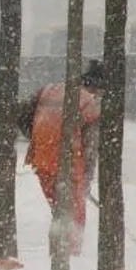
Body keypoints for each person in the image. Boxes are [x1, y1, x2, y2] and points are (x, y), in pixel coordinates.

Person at [22, 59, 105, 256]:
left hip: (42, 160)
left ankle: (58, 253)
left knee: (59, 210)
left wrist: (40, 138)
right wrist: (86, 180)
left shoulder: (50, 89)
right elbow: (90, 148)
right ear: (97, 86)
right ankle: (68, 259)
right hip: (69, 164)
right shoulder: (89, 103)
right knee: (75, 216)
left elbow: (23, 115)